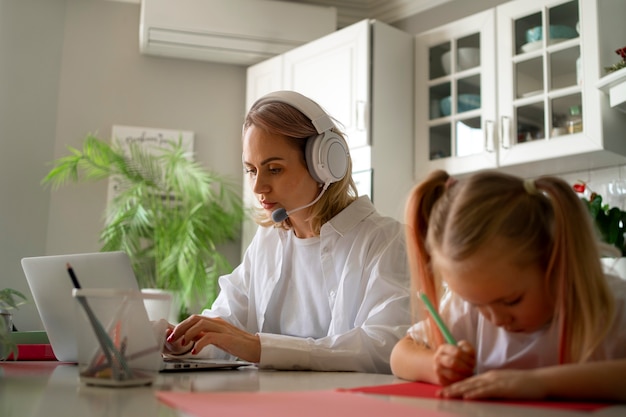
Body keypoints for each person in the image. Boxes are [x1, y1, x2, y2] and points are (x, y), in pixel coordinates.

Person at [164, 90, 410, 373]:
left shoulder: (387, 241)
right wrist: (181, 340)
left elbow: (387, 345)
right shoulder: (268, 241)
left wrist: (262, 348)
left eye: (274, 169)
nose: (258, 187)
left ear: (325, 165)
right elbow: (227, 323)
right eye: (251, 170)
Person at [389, 169, 626, 401]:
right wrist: (436, 365)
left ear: (557, 261)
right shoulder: (470, 309)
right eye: (475, 303)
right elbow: (400, 355)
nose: (495, 319)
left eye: (512, 301)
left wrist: (539, 383)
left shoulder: (611, 304)